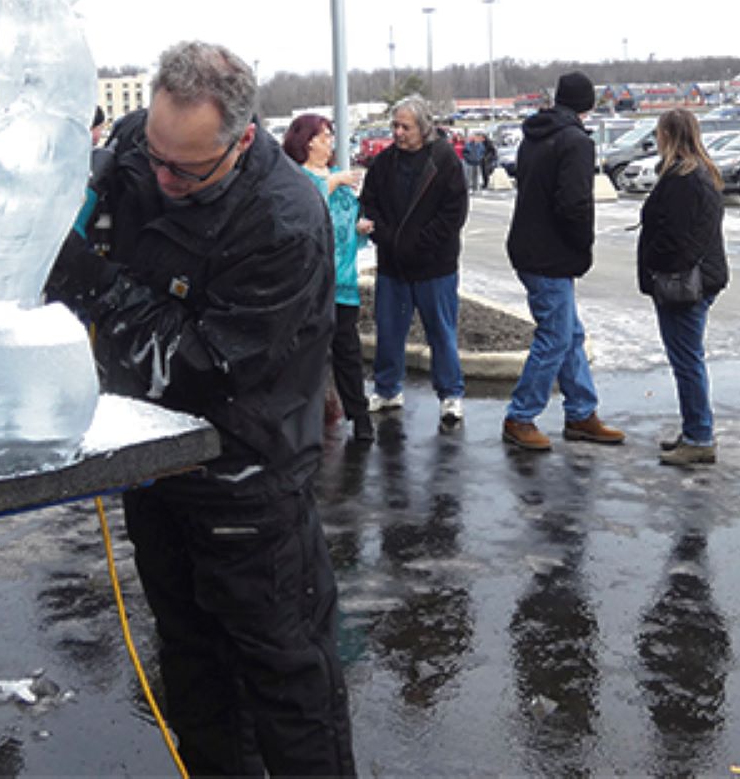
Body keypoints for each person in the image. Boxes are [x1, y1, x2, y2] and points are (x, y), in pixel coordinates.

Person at [45, 41, 355, 776]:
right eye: (152, 154)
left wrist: (91, 283)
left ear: (242, 139)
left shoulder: (282, 220)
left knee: (284, 674)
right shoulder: (144, 149)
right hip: (156, 462)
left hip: (248, 474)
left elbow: (197, 363)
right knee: (191, 666)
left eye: (183, 169)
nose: (160, 177)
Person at [502, 72, 626, 452]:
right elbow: (574, 204)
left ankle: (581, 412)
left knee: (569, 334)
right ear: (587, 105)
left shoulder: (535, 136)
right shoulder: (575, 142)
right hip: (551, 254)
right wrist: (582, 248)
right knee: (556, 336)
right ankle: (520, 416)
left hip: (528, 246)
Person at [358, 95, 469, 424]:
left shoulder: (445, 161)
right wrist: (388, 238)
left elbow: (453, 215)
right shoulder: (384, 163)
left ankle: (451, 394)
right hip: (393, 265)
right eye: (394, 125)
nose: (398, 132)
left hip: (435, 266)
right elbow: (370, 203)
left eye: (404, 126)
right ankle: (387, 388)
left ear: (423, 128)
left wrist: (418, 244)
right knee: (389, 331)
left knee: (442, 333)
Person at [637, 109, 728, 467]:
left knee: (687, 361)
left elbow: (678, 239)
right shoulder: (699, 173)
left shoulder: (683, 179)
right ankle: (694, 428)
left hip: (684, 284)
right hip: (698, 278)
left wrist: (656, 264)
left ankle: (699, 435)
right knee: (688, 359)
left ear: (668, 135)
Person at [283, 113, 374, 443]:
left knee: (348, 352)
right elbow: (300, 213)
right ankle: (304, 420)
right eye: (324, 137)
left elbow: (349, 220)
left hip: (344, 282)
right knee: (308, 355)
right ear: (307, 141)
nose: (329, 143)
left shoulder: (339, 176)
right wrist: (332, 183)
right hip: (310, 285)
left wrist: (361, 228)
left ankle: (359, 416)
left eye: (330, 137)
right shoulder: (297, 177)